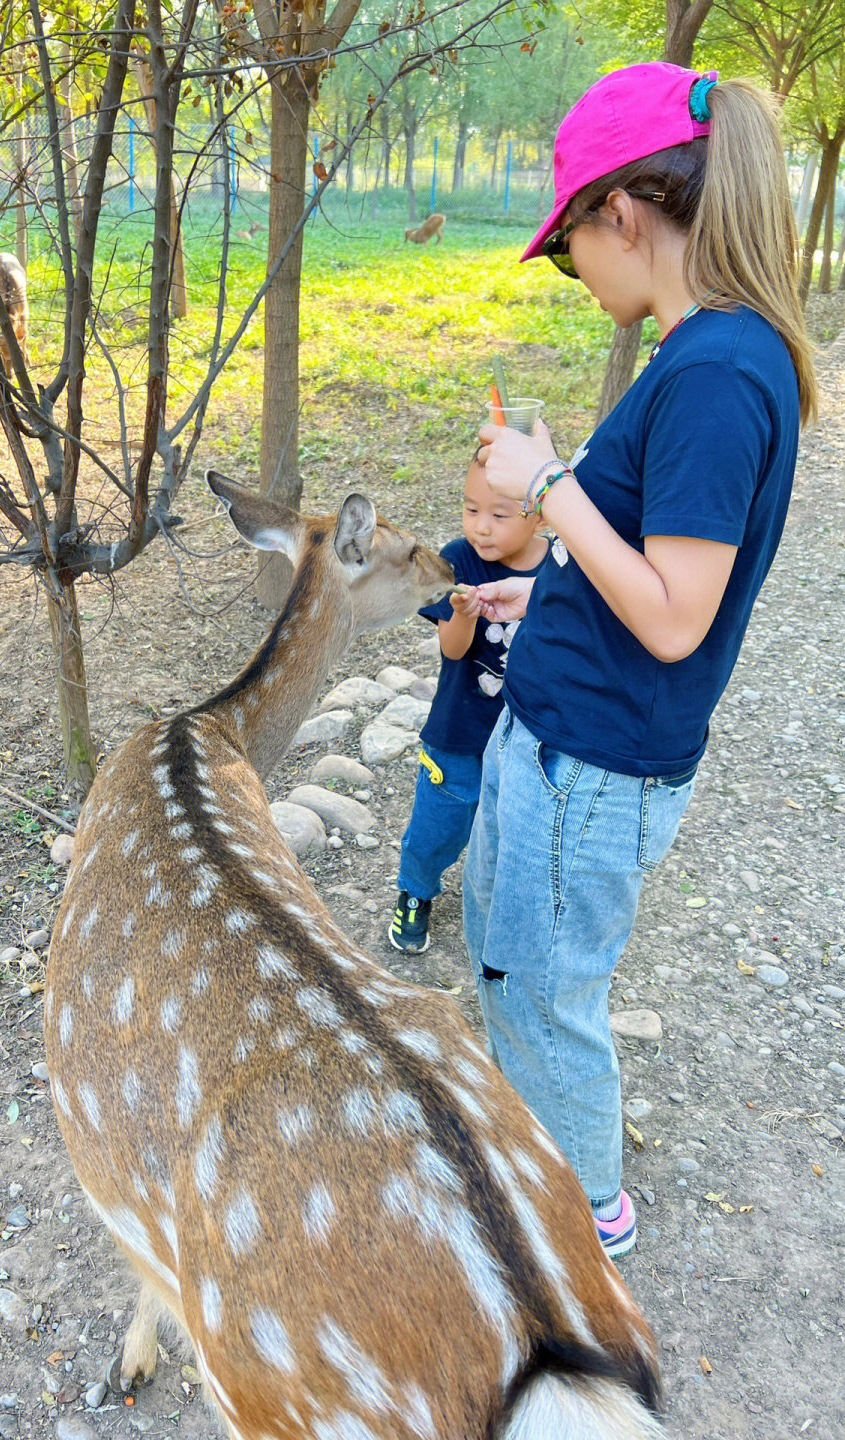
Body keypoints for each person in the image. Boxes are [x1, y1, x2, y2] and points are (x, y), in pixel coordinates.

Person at [463, 62, 815, 1259]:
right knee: (514, 973)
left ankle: (582, 1225)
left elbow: (675, 615)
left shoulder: (718, 370)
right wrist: (543, 579)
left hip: (593, 768)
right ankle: (543, 1169)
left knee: (548, 1000)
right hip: (565, 737)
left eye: (566, 250)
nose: (573, 275)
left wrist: (549, 490)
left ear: (623, 213)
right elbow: (646, 565)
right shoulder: (703, 353)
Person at [389, 458, 549, 955]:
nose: (481, 525)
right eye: (471, 508)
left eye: (500, 514)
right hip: (459, 729)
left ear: (542, 515)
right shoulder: (457, 561)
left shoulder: (563, 567)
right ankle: (415, 890)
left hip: (531, 735)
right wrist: (461, 615)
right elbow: (453, 651)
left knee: (513, 827)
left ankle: (504, 901)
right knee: (439, 820)